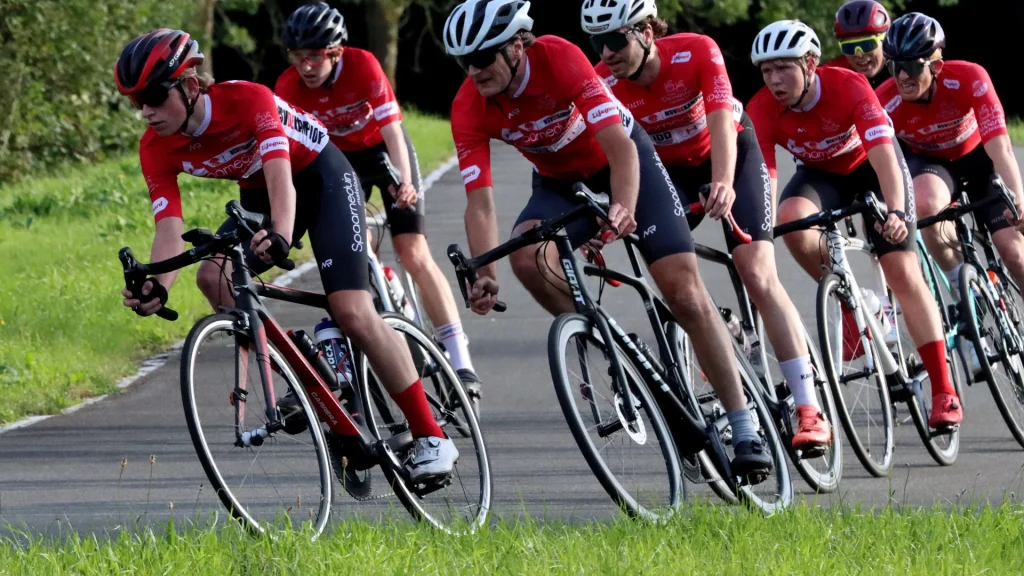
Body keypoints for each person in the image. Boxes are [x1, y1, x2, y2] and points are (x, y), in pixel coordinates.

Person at [443, 0, 773, 475]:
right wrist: (486, 272)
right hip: (561, 183)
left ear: (517, 45)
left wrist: (622, 206)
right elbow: (480, 202)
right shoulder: (467, 106)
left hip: (622, 158)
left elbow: (620, 147)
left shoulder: (558, 59)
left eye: (484, 57)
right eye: (464, 62)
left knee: (682, 290)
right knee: (526, 256)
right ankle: (614, 348)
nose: (474, 70)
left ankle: (745, 427)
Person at [114, 28, 458, 481]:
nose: (146, 112)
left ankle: (432, 435)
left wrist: (279, 234)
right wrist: (158, 284)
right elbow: (169, 230)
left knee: (352, 311)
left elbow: (282, 177)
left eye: (155, 96)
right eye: (136, 102)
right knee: (213, 279)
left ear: (192, 85)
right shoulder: (155, 146)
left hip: (320, 178)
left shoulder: (247, 100)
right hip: (259, 194)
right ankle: (311, 378)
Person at [581, 0, 829, 450]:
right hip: (666, 175)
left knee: (756, 270)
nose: (606, 51)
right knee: (677, 284)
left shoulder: (696, 51)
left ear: (647, 32)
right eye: (597, 42)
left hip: (729, 152)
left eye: (616, 39)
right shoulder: (602, 82)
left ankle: (809, 407)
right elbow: (607, 154)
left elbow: (719, 118)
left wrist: (722, 180)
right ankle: (726, 330)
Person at [748, 20, 962, 429]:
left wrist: (897, 211)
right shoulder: (761, 107)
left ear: (811, 64)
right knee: (792, 220)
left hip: (871, 167)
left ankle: (943, 389)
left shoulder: (847, 86)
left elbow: (884, 153)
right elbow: (766, 179)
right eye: (766, 71)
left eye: (784, 69)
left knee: (901, 269)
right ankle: (852, 299)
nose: (774, 80)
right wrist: (761, 232)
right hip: (822, 175)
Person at [273, 3, 485, 402]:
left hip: (381, 154)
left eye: (315, 56)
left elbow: (392, 129)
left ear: (336, 52)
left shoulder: (364, 65)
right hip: (336, 164)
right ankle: (384, 295)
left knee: (413, 250)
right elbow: (288, 157)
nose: (305, 66)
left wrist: (405, 181)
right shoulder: (286, 87)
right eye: (297, 57)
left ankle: (460, 361)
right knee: (356, 253)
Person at [877, 13, 1024, 372]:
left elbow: (1000, 146)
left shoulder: (969, 78)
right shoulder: (885, 101)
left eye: (911, 66)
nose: (902, 77)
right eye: (895, 66)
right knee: (926, 205)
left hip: (979, 160)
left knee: (1013, 251)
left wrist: (1019, 198)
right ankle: (966, 293)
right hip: (932, 166)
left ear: (937, 65)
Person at [822, 0, 892, 89]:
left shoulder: (906, 74)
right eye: (849, 47)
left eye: (867, 44)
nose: (859, 54)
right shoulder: (837, 74)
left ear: (885, 41)